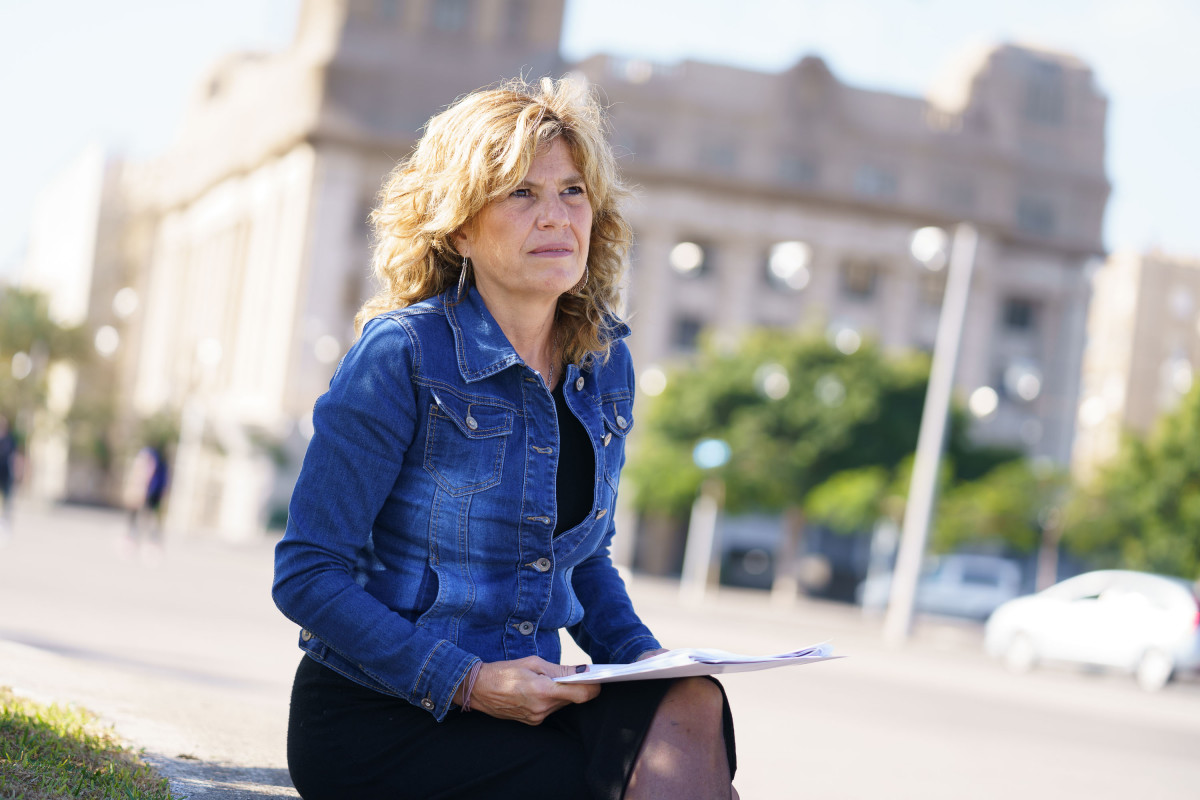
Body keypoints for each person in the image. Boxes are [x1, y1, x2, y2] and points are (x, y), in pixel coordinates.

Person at [272, 77, 738, 800]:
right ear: (460, 226)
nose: (556, 217)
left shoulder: (603, 362)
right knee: (578, 785)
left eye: (572, 192)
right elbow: (308, 575)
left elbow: (580, 564)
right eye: (521, 194)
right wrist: (470, 682)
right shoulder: (404, 354)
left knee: (691, 701)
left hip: (530, 697)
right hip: (386, 712)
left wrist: (648, 664)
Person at [0, 414, 17, 540]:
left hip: (6, 475)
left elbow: (15, 457)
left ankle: (6, 527)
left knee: (7, 502)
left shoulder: (10, 439)